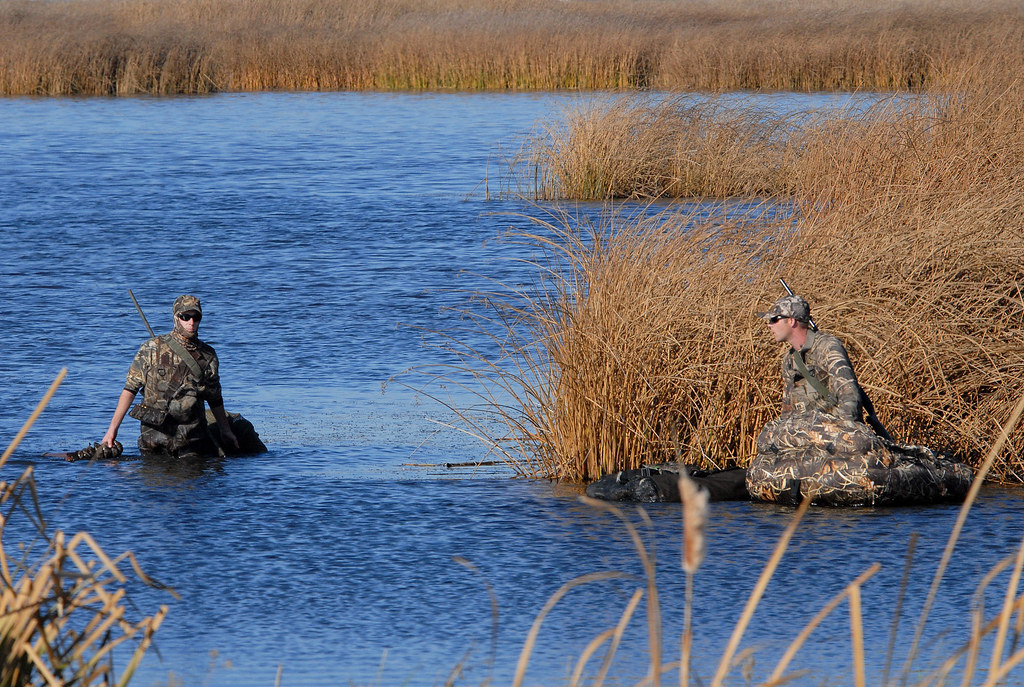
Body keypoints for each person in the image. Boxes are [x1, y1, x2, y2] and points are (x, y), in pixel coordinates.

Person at [102, 294, 239, 458]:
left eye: (196, 317)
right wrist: (112, 430)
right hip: (153, 437)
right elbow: (130, 390)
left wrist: (226, 431)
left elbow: (215, 398)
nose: (191, 322)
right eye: (185, 316)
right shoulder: (151, 349)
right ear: (176, 317)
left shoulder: (208, 356)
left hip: (191, 440)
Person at [759, 294, 863, 423]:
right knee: (770, 433)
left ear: (791, 321)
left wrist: (845, 433)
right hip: (809, 431)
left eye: (774, 320)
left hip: (837, 429)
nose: (769, 325)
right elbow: (787, 409)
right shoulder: (789, 359)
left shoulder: (828, 347)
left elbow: (849, 395)